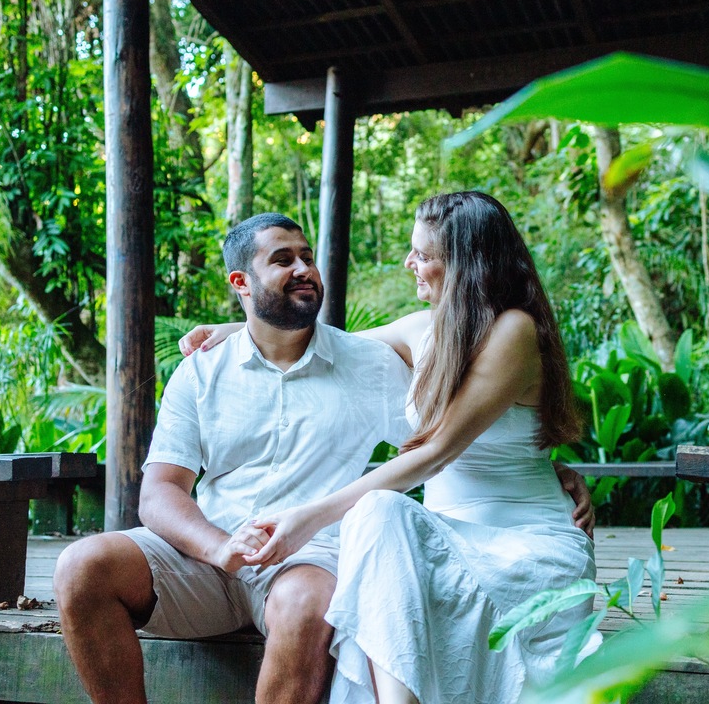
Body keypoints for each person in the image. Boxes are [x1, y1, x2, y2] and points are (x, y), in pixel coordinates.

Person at [53, 211, 593, 704]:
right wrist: (220, 547)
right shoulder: (204, 370)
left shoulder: (373, 365)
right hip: (209, 556)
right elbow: (160, 491)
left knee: (314, 593)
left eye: (306, 257)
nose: (304, 268)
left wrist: (547, 466)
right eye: (283, 260)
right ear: (240, 284)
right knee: (81, 567)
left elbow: (451, 441)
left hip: (311, 560)